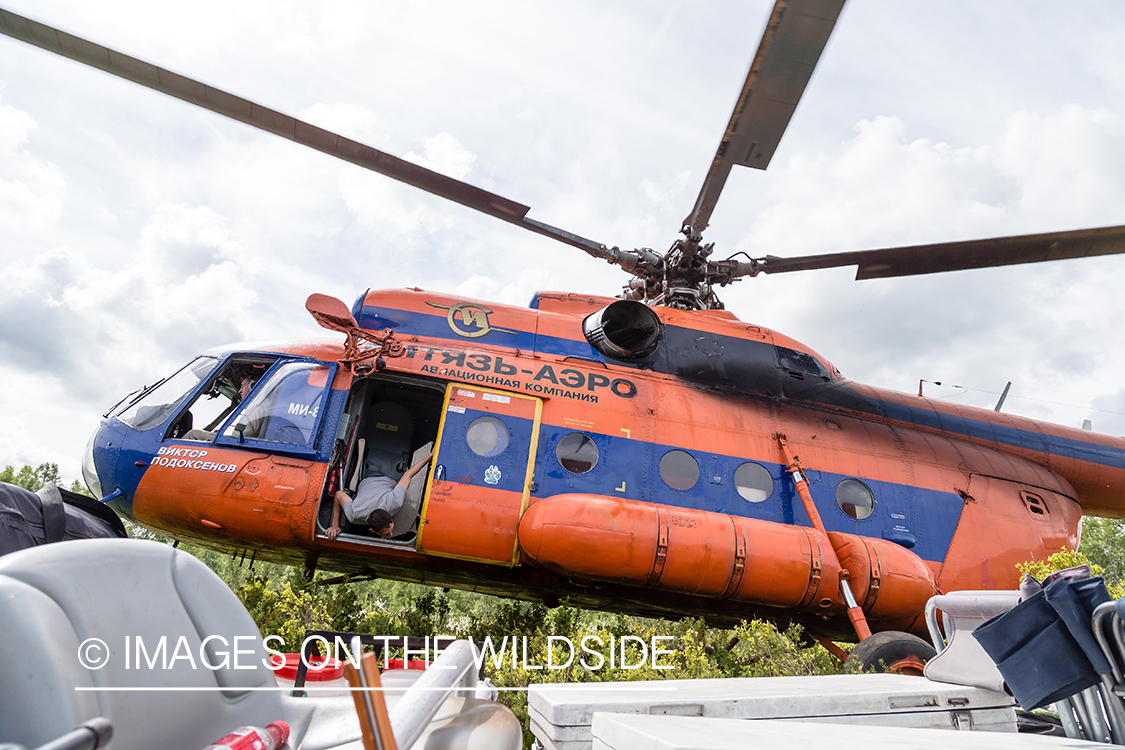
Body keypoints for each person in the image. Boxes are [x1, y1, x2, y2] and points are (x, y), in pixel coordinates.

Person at [326, 449, 433, 540]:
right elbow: (338, 495)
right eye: (387, 533)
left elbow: (409, 474)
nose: (391, 534)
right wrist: (334, 526)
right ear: (371, 530)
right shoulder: (354, 514)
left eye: (389, 531)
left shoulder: (395, 502)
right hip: (366, 481)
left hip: (386, 481)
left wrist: (430, 456)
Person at [181, 376, 256, 441]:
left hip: (235, 446)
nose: (240, 391)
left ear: (253, 386)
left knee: (193, 434)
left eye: (243, 386)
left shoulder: (255, 409)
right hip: (236, 442)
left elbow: (238, 439)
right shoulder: (259, 407)